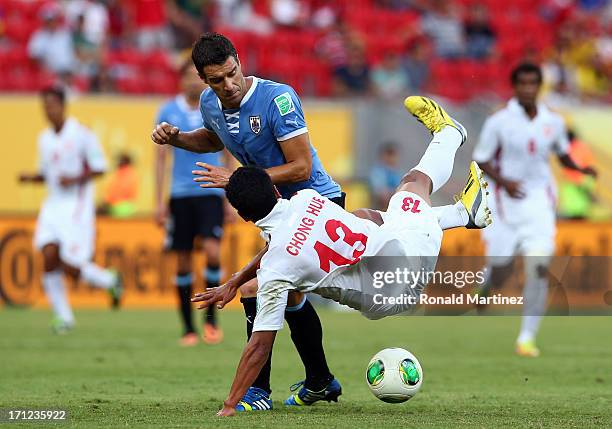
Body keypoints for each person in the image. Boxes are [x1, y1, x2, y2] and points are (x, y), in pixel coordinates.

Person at [192, 96, 490, 416]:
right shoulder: (308, 199)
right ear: (276, 192)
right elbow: (282, 247)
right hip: (400, 259)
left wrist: (229, 404)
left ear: (244, 217)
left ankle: (458, 181)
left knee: (406, 192)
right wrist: (237, 280)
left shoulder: (278, 268)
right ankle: (454, 184)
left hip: (398, 281)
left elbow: (259, 344)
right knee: (409, 186)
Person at [151, 32, 343, 410]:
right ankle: (320, 380)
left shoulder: (278, 99)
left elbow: (301, 166)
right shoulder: (211, 102)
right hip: (277, 212)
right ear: (203, 80)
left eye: (232, 73)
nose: (229, 85)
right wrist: (177, 139)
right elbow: (213, 139)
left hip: (315, 203)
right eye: (217, 80)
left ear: (239, 61)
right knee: (288, 295)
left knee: (258, 288)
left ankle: (257, 392)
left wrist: (239, 181)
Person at [472, 63, 597, 357]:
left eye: (533, 84)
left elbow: (562, 154)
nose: (528, 89)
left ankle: (526, 338)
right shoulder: (499, 121)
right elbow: (482, 159)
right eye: (523, 84)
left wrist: (580, 168)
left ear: (539, 86)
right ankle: (488, 282)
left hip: (540, 203)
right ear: (515, 87)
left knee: (538, 269)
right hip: (505, 205)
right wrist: (505, 182)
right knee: (501, 266)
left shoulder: (552, 122)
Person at [18, 86, 123, 334]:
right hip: (52, 205)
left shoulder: (81, 134)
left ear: (63, 106)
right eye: (45, 106)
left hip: (76, 206)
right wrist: (32, 177)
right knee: (48, 255)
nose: (48, 110)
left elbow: (100, 167)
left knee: (71, 262)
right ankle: (63, 317)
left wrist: (75, 179)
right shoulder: (44, 138)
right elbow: (48, 173)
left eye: (52, 105)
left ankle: (109, 280)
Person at [155, 60, 227, 346]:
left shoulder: (213, 107)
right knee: (183, 261)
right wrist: (160, 201)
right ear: (180, 81)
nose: (191, 82)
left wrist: (231, 194)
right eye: (185, 77)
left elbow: (227, 150)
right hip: (180, 194)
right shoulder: (167, 110)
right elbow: (160, 158)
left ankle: (210, 320)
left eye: (194, 77)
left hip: (211, 190)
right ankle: (187, 328)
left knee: (212, 252)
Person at [369, 142, 403, 210]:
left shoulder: (398, 173)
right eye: (389, 154)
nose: (392, 158)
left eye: (394, 155)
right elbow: (381, 193)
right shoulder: (378, 172)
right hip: (380, 208)